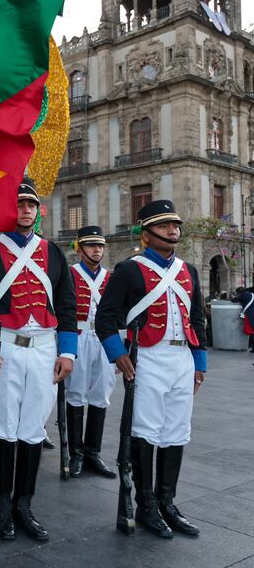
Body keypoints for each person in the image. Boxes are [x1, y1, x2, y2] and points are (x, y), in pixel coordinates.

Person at [0, 177, 77, 542]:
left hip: (44, 347)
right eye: (19, 204)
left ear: (38, 210)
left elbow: (68, 305)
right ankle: (3, 506)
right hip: (4, 347)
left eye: (30, 205)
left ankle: (25, 505)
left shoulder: (54, 252)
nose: (25, 210)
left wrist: (67, 352)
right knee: (4, 429)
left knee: (32, 430)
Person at [96, 200, 205, 539]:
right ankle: (145, 506)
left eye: (175, 225)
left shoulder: (189, 270)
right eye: (164, 225)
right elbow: (105, 317)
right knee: (145, 432)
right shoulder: (129, 269)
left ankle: (167, 502)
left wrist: (199, 363)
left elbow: (197, 318)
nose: (173, 230)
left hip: (181, 359)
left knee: (176, 431)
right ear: (146, 233)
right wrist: (117, 353)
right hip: (147, 357)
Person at [65, 226, 117, 479]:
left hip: (105, 338)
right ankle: (76, 453)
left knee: (101, 393)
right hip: (79, 335)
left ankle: (93, 453)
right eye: (90, 245)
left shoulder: (111, 277)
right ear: (80, 248)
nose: (97, 250)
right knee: (76, 392)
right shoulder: (69, 274)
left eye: (100, 246)